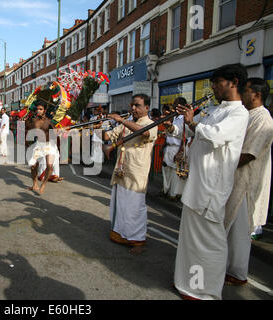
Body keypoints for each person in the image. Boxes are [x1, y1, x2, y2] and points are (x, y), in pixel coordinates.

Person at [167, 63, 249, 300]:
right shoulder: (215, 109)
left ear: (233, 82)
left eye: (218, 82)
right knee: (190, 240)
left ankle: (205, 291)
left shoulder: (238, 113)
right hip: (197, 183)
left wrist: (193, 122)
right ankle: (188, 283)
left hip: (211, 186)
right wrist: (177, 125)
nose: (213, 87)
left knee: (209, 242)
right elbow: (195, 133)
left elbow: (214, 135)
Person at [224, 78, 273, 285]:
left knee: (240, 232)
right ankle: (225, 266)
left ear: (256, 95)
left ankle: (237, 273)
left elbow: (249, 154)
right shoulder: (246, 115)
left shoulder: (264, 119)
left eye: (245, 91)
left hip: (247, 183)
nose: (241, 94)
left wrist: (221, 164)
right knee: (230, 229)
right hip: (234, 178)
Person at [103, 94, 158, 255]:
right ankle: (120, 234)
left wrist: (122, 121)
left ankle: (138, 240)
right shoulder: (127, 124)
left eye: (137, 105)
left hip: (136, 173)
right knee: (120, 205)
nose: (133, 108)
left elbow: (145, 133)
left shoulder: (151, 124)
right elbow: (108, 136)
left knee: (135, 208)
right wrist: (94, 129)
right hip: (121, 170)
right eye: (132, 105)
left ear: (146, 108)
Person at [26, 103, 59, 195]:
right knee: (33, 166)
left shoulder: (49, 121)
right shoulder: (34, 121)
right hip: (39, 145)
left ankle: (43, 185)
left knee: (49, 165)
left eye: (40, 109)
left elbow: (55, 133)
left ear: (44, 110)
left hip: (49, 145)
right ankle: (34, 184)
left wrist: (57, 132)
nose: (38, 111)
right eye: (37, 109)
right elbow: (30, 132)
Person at [162, 98, 187, 200]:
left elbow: (184, 137)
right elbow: (168, 133)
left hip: (176, 148)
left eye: (176, 104)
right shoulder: (174, 118)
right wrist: (163, 147)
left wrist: (180, 152)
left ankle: (173, 194)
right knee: (166, 170)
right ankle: (165, 191)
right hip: (168, 147)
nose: (173, 106)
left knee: (174, 173)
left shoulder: (184, 118)